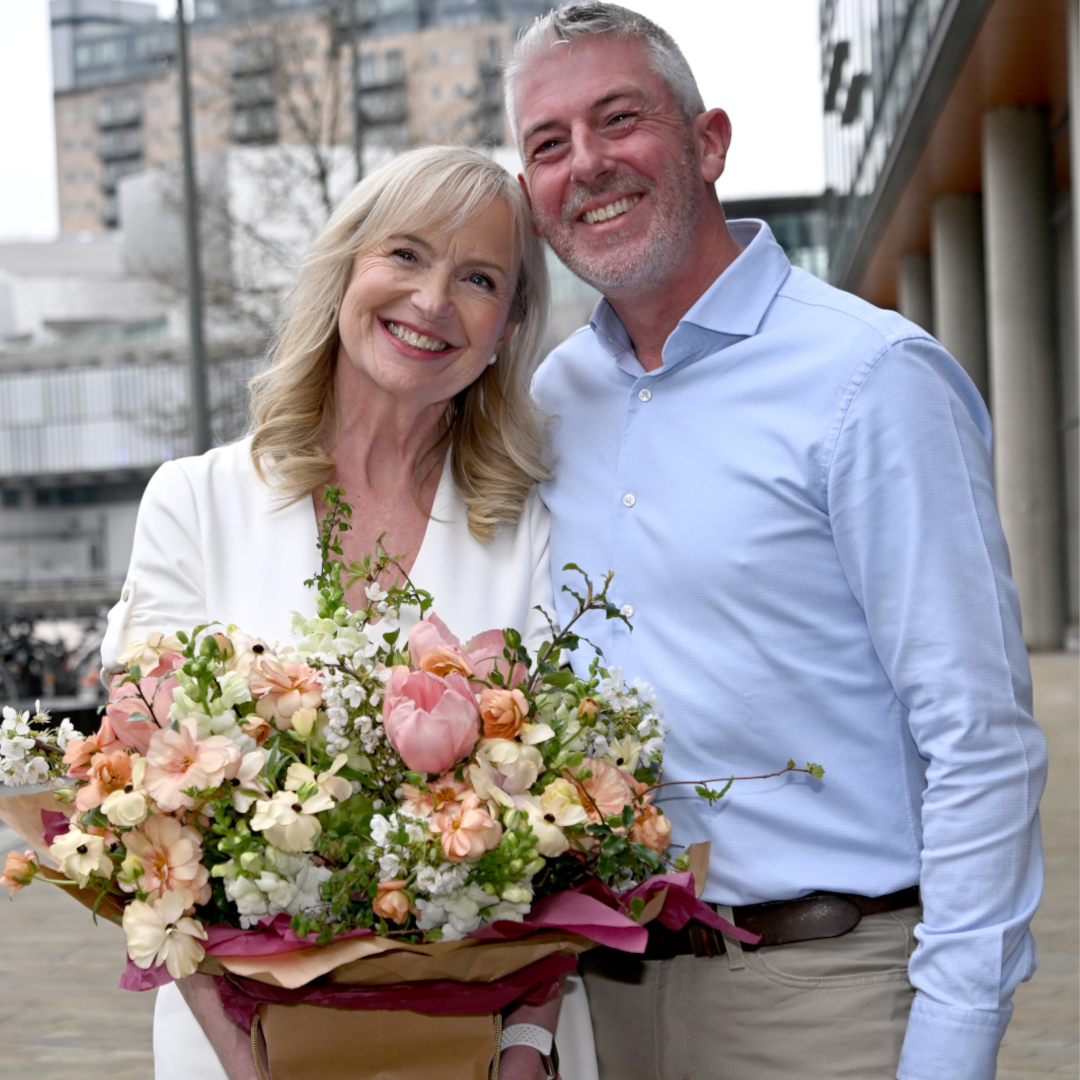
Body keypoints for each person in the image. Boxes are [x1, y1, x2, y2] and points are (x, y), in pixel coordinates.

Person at [509, 5, 1048, 1079]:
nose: (588, 165)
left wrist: (951, 1046)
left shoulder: (871, 378)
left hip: (826, 999)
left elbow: (979, 737)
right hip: (604, 1003)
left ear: (709, 141)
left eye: (620, 119)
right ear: (530, 192)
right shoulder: (549, 404)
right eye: (549, 143)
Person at [100, 146, 594, 1080]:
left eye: (479, 279)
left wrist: (528, 1044)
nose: (432, 300)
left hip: (493, 1050)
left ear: (508, 326)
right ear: (344, 272)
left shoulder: (533, 526)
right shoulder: (194, 502)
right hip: (237, 1044)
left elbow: (575, 815)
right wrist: (245, 1055)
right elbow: (139, 820)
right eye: (405, 254)